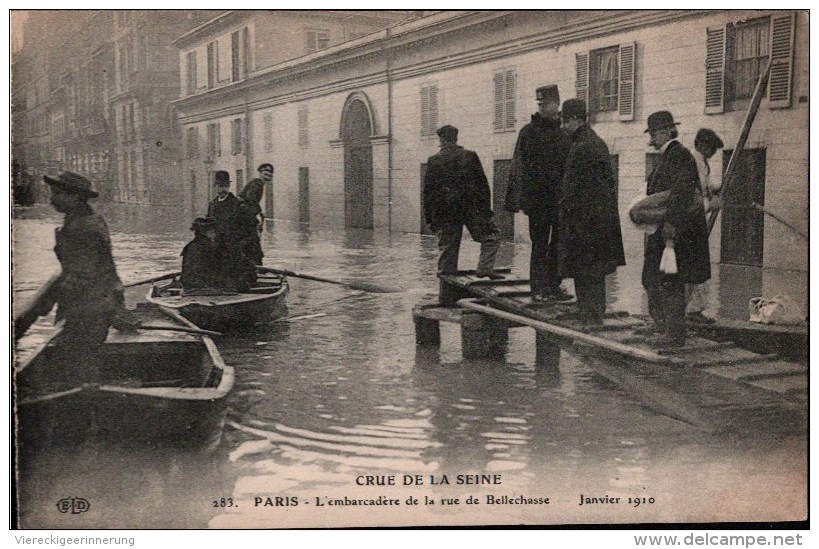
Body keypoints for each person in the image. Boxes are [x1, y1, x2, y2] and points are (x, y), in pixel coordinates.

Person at [36, 172, 125, 382]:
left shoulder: (82, 228)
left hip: (89, 306)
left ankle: (88, 402)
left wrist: (45, 302)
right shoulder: (84, 220)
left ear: (75, 197)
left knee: (80, 361)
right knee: (83, 359)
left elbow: (80, 276)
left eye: (58, 193)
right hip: (96, 303)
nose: (52, 198)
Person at [641, 111, 711, 348]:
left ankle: (673, 333)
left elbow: (682, 192)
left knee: (670, 280)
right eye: (652, 133)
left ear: (670, 131)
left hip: (677, 231)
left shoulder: (679, 155)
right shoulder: (666, 156)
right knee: (653, 276)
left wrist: (671, 223)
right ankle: (660, 324)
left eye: (657, 132)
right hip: (664, 228)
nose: (654, 137)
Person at [556, 99, 625, 325]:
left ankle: (592, 312)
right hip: (593, 219)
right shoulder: (590, 142)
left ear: (576, 119)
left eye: (565, 121)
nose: (563, 126)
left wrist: (566, 208)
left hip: (587, 221)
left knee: (588, 268)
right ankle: (587, 309)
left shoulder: (584, 146)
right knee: (587, 268)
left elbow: (578, 188)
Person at [513, 85, 573, 302]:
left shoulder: (565, 131)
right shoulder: (528, 132)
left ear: (557, 104)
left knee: (559, 242)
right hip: (538, 201)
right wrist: (524, 201)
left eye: (545, 104)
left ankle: (554, 286)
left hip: (560, 199)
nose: (541, 108)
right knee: (539, 243)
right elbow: (520, 169)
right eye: (539, 104)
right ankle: (537, 288)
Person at [423, 125, 503, 280]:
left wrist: (429, 219)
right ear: (455, 138)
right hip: (472, 211)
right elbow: (483, 186)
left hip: (446, 215)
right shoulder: (470, 156)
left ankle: (446, 293)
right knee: (491, 237)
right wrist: (486, 212)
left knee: (447, 252)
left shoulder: (434, 160)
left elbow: (428, 193)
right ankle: (485, 268)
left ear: (442, 140)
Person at [685, 128, 724, 325]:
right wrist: (710, 204)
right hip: (691, 222)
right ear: (700, 145)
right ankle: (689, 310)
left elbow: (704, 187)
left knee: (699, 267)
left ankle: (693, 308)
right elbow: (692, 197)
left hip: (696, 222)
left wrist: (713, 189)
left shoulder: (702, 163)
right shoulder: (693, 162)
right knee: (694, 267)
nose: (713, 152)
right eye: (711, 148)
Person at [207, 170, 258, 291]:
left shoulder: (237, 204)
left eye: (225, 185)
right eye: (220, 186)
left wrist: (239, 243)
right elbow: (208, 225)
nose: (223, 188)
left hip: (234, 246)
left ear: (229, 186)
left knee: (235, 275)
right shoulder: (212, 205)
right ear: (216, 187)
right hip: (217, 246)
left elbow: (250, 227)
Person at [180, 217, 229, 292]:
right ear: (206, 232)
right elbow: (208, 269)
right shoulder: (206, 246)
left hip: (191, 284)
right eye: (212, 231)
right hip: (201, 286)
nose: (215, 234)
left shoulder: (192, 245)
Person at [237, 163, 272, 266]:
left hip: (245, 214)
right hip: (244, 216)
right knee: (252, 241)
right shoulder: (257, 183)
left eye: (270, 174)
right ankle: (255, 265)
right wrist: (259, 212)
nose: (268, 175)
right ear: (260, 173)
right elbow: (250, 197)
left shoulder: (257, 183)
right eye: (266, 173)